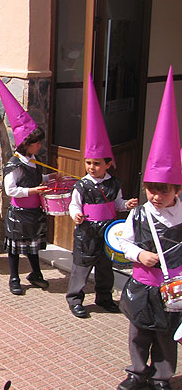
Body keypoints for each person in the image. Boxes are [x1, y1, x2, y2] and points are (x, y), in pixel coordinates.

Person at [117, 69, 182, 390]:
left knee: (167, 336)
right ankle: (137, 371)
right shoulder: (138, 214)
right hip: (143, 285)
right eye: (151, 189)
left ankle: (163, 377)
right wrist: (138, 255)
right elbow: (123, 242)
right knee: (139, 331)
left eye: (164, 190)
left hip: (173, 290)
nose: (156, 196)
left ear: (177, 189)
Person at [66, 73, 138, 318]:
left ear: (108, 164)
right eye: (88, 162)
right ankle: (75, 298)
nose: (91, 167)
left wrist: (126, 204)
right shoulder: (82, 185)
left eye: (97, 163)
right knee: (81, 267)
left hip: (107, 231)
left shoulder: (114, 183)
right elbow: (73, 206)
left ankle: (104, 296)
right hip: (86, 231)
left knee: (105, 267)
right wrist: (76, 215)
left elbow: (116, 203)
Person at [0, 68, 52, 296]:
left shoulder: (34, 160)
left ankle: (36, 273)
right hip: (19, 214)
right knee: (16, 249)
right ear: (26, 144)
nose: (40, 147)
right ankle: (14, 277)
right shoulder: (14, 164)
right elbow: (11, 189)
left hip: (34, 212)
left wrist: (48, 179)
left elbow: (35, 179)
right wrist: (34, 190)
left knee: (34, 247)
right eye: (36, 144)